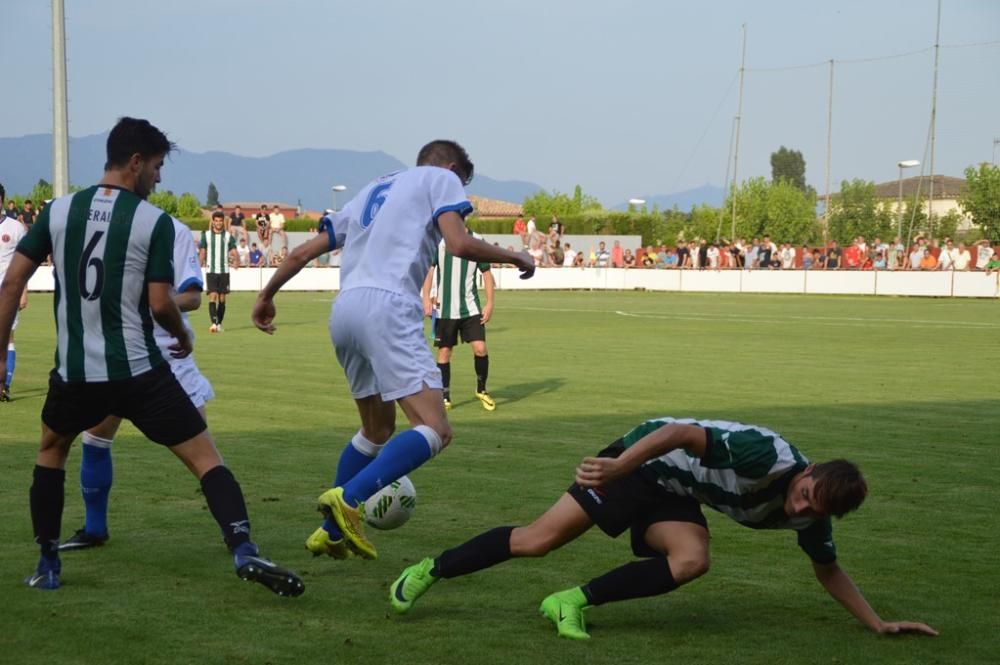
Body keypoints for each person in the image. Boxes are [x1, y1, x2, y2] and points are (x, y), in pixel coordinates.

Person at [0, 117, 302, 595]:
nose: (159, 178)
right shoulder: (154, 222)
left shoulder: (57, 213)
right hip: (140, 371)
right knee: (206, 459)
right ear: (136, 162)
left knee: (51, 451)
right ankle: (243, 548)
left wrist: (0, 357)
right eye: (157, 167)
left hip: (76, 374)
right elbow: (162, 302)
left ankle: (47, 565)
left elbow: (12, 283)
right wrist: (180, 334)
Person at [388, 416, 938, 641]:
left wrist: (878, 623)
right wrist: (620, 465)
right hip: (641, 462)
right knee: (538, 541)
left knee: (693, 558)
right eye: (804, 492)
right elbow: (680, 431)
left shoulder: (811, 517)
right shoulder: (765, 457)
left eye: (813, 509)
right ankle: (428, 569)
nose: (801, 506)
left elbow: (828, 568)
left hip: (677, 492)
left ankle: (571, 602)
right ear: (809, 472)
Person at [251, 140, 534, 562]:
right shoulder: (441, 179)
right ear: (451, 168)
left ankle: (330, 532)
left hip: (345, 310)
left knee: (377, 429)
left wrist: (266, 294)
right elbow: (458, 244)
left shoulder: (371, 190)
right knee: (436, 428)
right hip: (388, 307)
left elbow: (304, 251)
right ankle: (351, 500)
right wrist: (516, 256)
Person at [58, 215, 215, 551]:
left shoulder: (175, 230)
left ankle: (237, 534)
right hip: (121, 352)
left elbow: (193, 296)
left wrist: (154, 304)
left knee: (203, 454)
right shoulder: (110, 228)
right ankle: (94, 528)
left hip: (169, 353)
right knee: (95, 437)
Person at [421, 233, 497, 412]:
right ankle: (444, 396)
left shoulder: (476, 241)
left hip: (470, 308)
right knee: (445, 352)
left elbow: (486, 273)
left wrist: (490, 303)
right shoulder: (439, 241)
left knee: (480, 348)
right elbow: (429, 271)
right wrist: (425, 298)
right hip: (446, 310)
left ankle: (481, 389)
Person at [0, 182, 28, 401]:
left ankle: (4, 386)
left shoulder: (16, 228)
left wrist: (23, 291)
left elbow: (25, 262)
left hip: (7, 293)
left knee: (7, 337)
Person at [199, 210, 237, 333]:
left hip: (224, 270)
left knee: (222, 298)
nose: (218, 223)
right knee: (213, 296)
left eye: (220, 221)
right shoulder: (206, 235)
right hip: (211, 270)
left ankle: (219, 323)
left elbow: (233, 250)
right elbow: (203, 251)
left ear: (223, 222)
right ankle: (214, 323)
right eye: (216, 221)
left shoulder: (228, 236)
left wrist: (236, 260)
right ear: (213, 222)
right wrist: (199, 264)